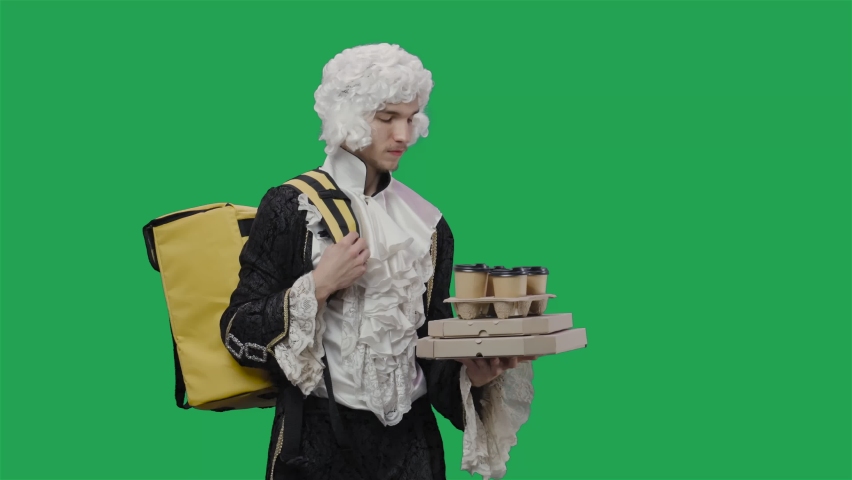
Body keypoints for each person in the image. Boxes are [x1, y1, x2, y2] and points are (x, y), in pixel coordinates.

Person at [219, 43, 535, 480]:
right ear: (347, 115)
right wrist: (318, 286)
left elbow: (428, 347)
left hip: (412, 452)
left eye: (411, 118)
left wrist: (472, 376)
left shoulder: (427, 224)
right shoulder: (292, 206)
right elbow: (237, 329)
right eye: (387, 118)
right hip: (318, 446)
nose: (403, 135)